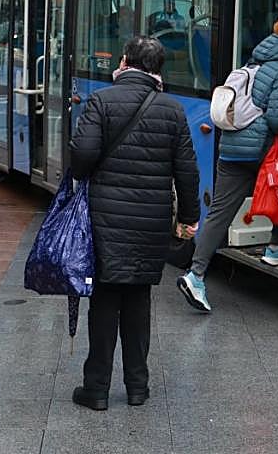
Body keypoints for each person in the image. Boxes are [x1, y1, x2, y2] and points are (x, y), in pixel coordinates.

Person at [69, 36, 200, 411]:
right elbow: (187, 172)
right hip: (151, 222)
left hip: (106, 219)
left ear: (124, 62)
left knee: (105, 300)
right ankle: (137, 387)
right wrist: (187, 219)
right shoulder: (173, 111)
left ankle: (96, 389)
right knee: (139, 300)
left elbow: (82, 156)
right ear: (158, 70)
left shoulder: (101, 101)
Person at [178, 10, 278, 313]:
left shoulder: (254, 60)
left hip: (231, 147)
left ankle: (195, 274)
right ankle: (276, 247)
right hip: (259, 151)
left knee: (219, 212)